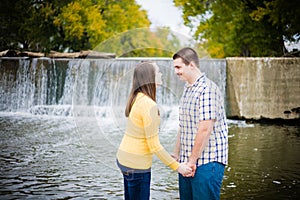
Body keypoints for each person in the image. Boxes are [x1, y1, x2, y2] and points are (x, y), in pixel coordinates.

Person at [116, 62, 193, 200]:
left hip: (124, 159)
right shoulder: (148, 105)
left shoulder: (137, 97)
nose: (161, 74)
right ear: (150, 77)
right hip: (137, 165)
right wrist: (177, 167)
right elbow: (154, 146)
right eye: (158, 72)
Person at [172, 47, 228, 199]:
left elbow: (205, 129)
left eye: (179, 67)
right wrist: (176, 154)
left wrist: (192, 161)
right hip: (188, 162)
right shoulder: (188, 88)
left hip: (207, 162)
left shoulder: (207, 90)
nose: (176, 72)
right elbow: (183, 125)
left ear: (191, 65)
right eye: (175, 67)